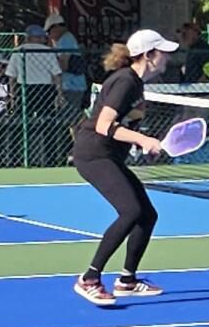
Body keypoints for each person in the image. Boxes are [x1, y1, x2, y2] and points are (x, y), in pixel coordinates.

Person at [66, 29, 185, 305]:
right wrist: (143, 140)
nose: (167, 58)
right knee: (131, 211)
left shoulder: (135, 83)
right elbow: (104, 125)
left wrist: (142, 144)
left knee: (147, 215)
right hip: (93, 155)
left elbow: (124, 125)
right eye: (163, 52)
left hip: (109, 155)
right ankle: (89, 278)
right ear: (149, 55)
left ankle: (127, 280)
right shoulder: (125, 81)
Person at [13, 19, 60, 164]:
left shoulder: (18, 51)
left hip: (25, 89)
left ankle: (19, 157)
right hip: (45, 89)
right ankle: (50, 157)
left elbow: (12, 75)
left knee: (22, 122)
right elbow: (56, 74)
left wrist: (12, 93)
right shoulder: (48, 52)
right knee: (48, 122)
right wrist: (59, 92)